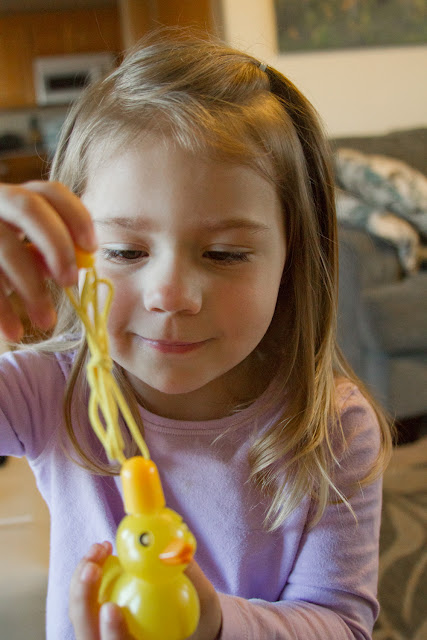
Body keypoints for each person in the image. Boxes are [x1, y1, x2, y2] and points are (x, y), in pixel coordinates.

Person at [0, 29, 393, 640]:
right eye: (126, 251)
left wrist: (213, 625)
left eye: (225, 254)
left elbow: (341, 623)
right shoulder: (47, 391)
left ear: (291, 258)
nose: (172, 295)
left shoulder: (333, 429)